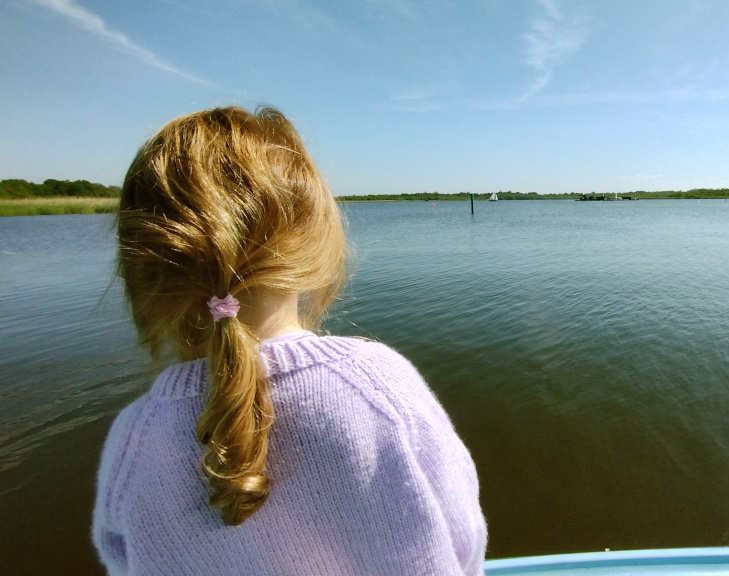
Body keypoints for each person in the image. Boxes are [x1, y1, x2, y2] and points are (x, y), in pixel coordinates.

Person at [92, 106, 487, 575]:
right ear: (313, 243)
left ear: (142, 268)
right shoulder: (379, 387)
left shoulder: (135, 439)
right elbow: (463, 542)